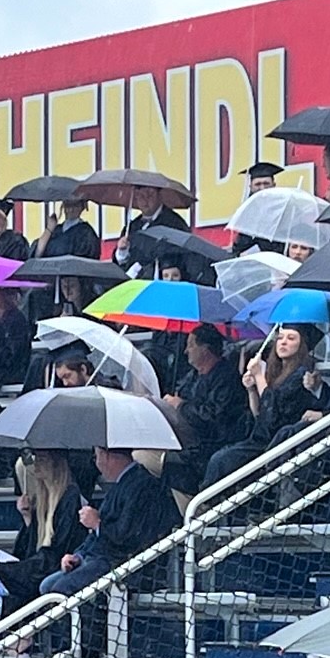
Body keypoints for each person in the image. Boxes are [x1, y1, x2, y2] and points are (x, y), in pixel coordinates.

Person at [41, 446, 179, 595]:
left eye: (96, 457)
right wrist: (78, 556)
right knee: (46, 586)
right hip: (100, 558)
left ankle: (82, 619)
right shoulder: (121, 485)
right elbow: (96, 537)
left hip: (120, 565)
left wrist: (97, 524)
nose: (97, 463)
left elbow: (127, 538)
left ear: (106, 456)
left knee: (61, 589)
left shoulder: (141, 486)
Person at [202, 324, 322, 487]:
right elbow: (259, 413)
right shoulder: (277, 372)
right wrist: (251, 390)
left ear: (301, 345)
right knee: (219, 457)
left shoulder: (300, 376)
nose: (283, 342)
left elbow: (272, 418)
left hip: (274, 444)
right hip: (258, 439)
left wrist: (259, 377)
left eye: (291, 338)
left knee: (222, 460)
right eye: (280, 338)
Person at [161, 325, 249, 494]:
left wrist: (181, 406)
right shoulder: (193, 376)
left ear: (206, 349)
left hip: (211, 443)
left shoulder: (225, 378)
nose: (186, 351)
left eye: (191, 345)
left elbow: (212, 418)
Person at [0, 451, 82, 602]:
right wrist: (28, 518)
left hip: (51, 564)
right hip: (39, 562)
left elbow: (59, 547)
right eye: (36, 459)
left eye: (42, 459)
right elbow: (30, 546)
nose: (36, 464)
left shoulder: (69, 495)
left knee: (0, 573)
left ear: (56, 463)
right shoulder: (43, 497)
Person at [140, 258, 193, 393]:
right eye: (166, 276)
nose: (170, 280)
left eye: (175, 276)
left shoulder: (189, 303)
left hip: (181, 359)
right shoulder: (159, 305)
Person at [114, 197, 187, 273]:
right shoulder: (131, 227)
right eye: (141, 195)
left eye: (150, 194)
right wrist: (122, 252)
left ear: (159, 195)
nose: (144, 200)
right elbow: (119, 266)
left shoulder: (174, 223)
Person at [229, 161, 286, 252]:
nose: (262, 188)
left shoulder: (285, 210)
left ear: (274, 185)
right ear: (250, 187)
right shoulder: (246, 215)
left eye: (266, 183)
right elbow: (240, 248)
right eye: (258, 184)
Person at [34, 197, 99, 260]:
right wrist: (49, 229)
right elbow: (37, 254)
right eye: (68, 205)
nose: (71, 209)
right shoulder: (56, 230)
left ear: (82, 207)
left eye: (75, 205)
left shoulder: (86, 233)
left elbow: (85, 261)